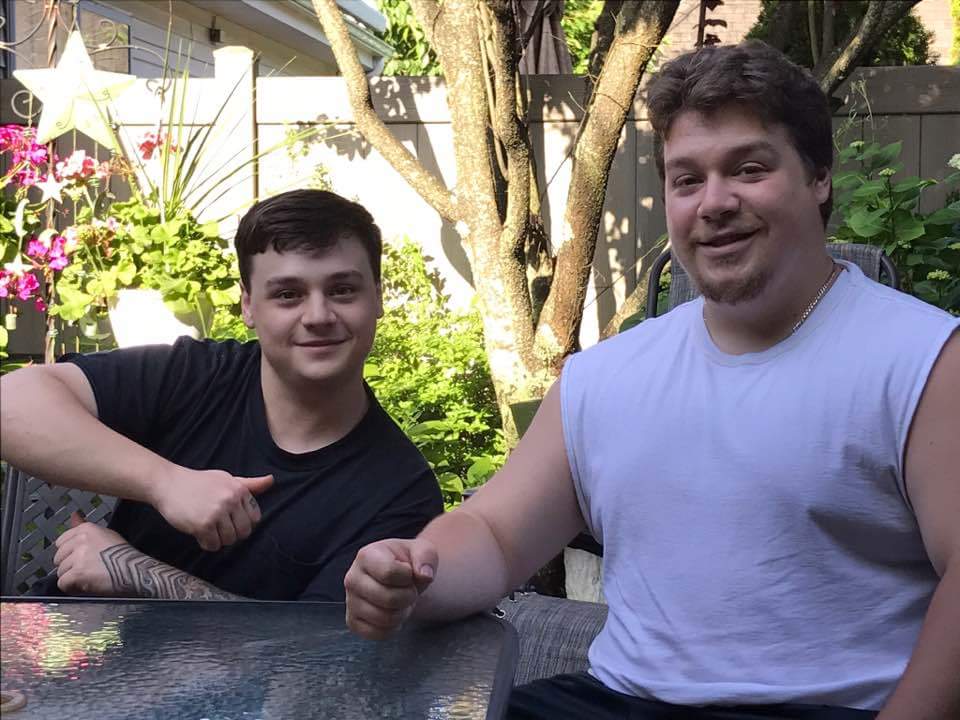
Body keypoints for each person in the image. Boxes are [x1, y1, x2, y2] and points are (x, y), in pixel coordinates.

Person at [340, 41, 960, 720]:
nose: (714, 202)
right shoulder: (606, 378)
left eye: (748, 169)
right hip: (623, 702)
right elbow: (494, 533)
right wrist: (414, 571)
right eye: (687, 180)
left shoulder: (924, 361)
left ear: (818, 178)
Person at [0, 189, 443, 601]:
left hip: (208, 666)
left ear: (377, 298)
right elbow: (10, 403)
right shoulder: (195, 375)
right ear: (248, 306)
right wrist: (166, 483)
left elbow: (316, 650)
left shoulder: (399, 493)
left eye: (342, 290)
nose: (318, 315)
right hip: (61, 644)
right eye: (288, 294)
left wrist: (140, 575)